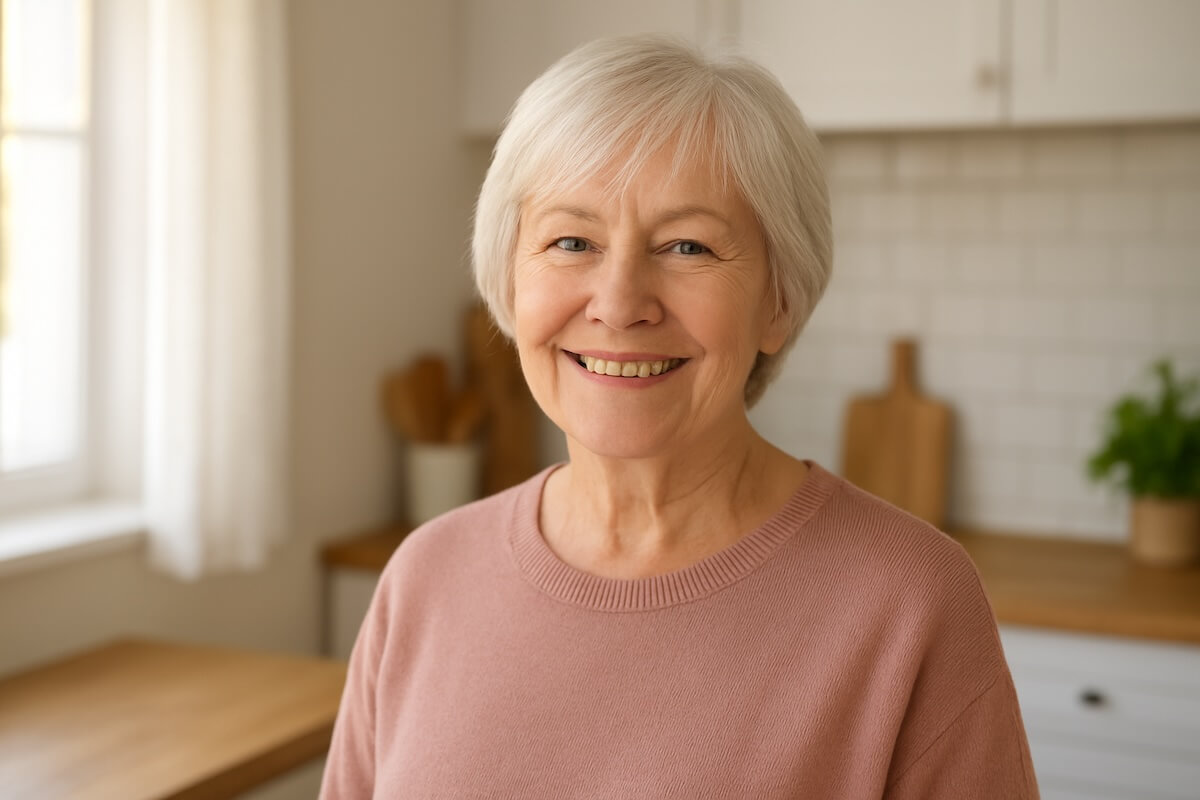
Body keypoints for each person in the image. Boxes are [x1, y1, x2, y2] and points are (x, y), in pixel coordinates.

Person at [320, 34, 1039, 799]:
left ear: (780, 302)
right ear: (509, 280)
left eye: (688, 246)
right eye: (571, 241)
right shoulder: (425, 578)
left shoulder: (909, 603)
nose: (621, 303)